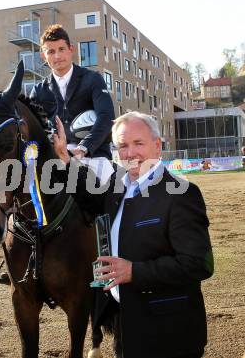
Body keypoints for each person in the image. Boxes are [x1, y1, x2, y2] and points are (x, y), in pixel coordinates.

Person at [53, 112, 214, 358]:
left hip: (168, 335)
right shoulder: (118, 185)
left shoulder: (182, 193)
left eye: (138, 143)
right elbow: (90, 197)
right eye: (123, 146)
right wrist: (65, 158)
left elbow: (198, 264)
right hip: (126, 326)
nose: (130, 154)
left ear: (157, 146)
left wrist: (133, 271)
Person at [30, 24, 115, 160]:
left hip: (95, 155)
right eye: (51, 52)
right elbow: (34, 128)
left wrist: (83, 148)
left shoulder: (93, 79)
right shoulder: (38, 91)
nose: (57, 56)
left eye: (61, 49)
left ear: (71, 50)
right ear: (43, 57)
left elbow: (106, 116)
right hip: (56, 157)